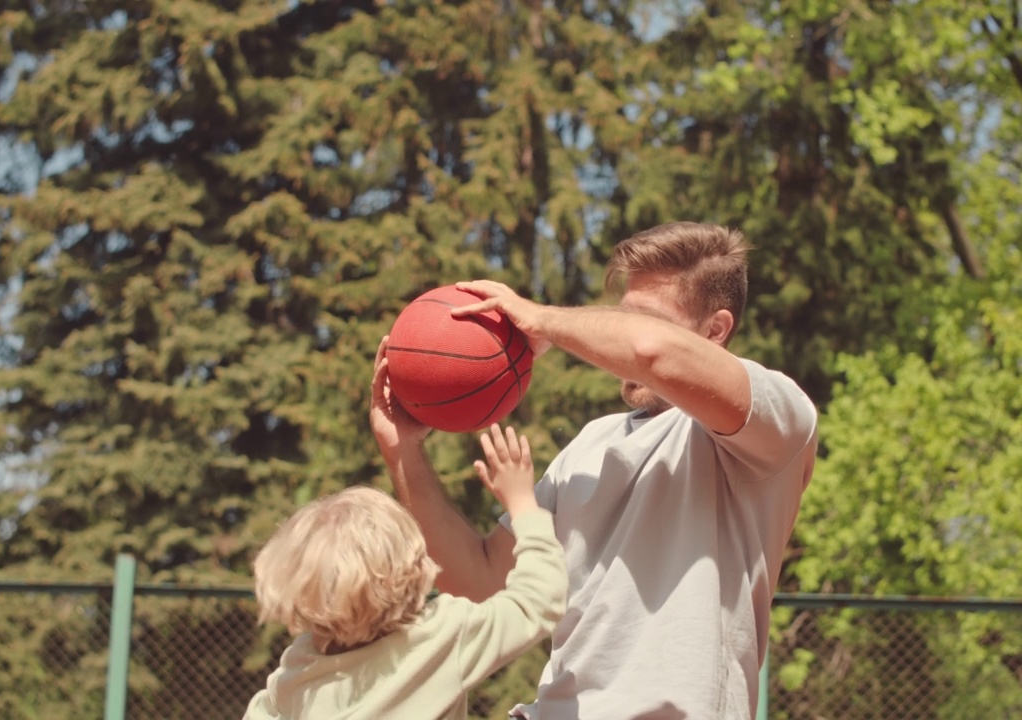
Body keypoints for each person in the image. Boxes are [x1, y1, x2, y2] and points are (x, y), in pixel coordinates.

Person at [370, 221, 819, 719]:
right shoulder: (590, 444)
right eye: (619, 317)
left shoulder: (774, 417)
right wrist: (403, 451)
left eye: (643, 319)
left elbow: (652, 350)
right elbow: (479, 582)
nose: (621, 334)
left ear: (715, 330)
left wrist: (541, 320)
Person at [242, 424, 567, 720]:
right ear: (413, 568)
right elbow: (539, 600)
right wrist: (523, 502)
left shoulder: (302, 667)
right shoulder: (441, 634)